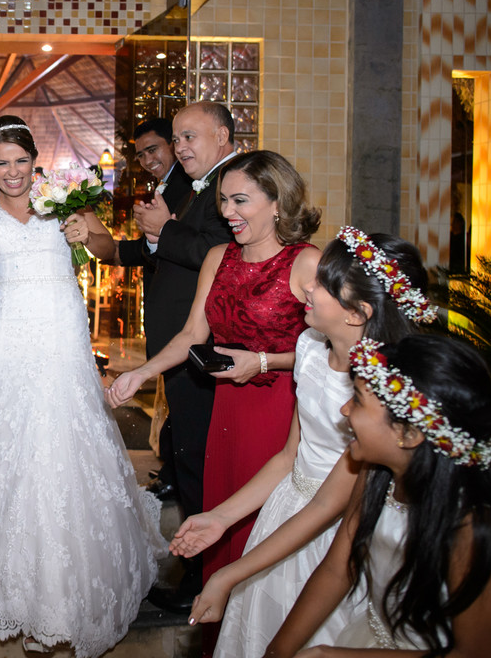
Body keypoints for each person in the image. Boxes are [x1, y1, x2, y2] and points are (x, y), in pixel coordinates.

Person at [0, 117, 165, 657]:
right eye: (1, 163)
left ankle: (67, 590)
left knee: (64, 433)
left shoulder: (62, 197)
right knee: (5, 434)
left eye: (20, 161)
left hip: (61, 328)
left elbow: (106, 248)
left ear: (35, 161)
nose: (12, 172)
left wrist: (88, 234)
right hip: (9, 331)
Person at [179, 228, 433, 657]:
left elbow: (330, 503)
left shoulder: (380, 395)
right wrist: (221, 518)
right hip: (287, 507)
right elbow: (288, 456)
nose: (308, 287)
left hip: (336, 529)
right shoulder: (311, 346)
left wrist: (231, 573)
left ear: (357, 313)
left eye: (323, 284)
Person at [265, 335, 491, 657]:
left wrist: (333, 655)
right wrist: (279, 649)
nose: (344, 409)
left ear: (409, 433)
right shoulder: (375, 474)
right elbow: (338, 568)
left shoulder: (471, 530)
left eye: (359, 400)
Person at [109, 150, 321, 589]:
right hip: (226, 409)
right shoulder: (219, 257)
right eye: (223, 200)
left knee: (267, 526)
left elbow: (334, 353)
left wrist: (263, 362)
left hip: (284, 411)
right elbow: (192, 334)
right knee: (222, 512)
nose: (227, 212)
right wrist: (142, 373)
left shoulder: (307, 263)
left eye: (240, 201)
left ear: (277, 202)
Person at [107, 102, 237, 610]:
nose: (180, 147)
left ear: (221, 135)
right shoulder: (199, 185)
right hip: (184, 347)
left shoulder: (233, 184)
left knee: (202, 462)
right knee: (188, 456)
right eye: (177, 138)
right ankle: (199, 569)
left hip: (205, 347)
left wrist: (165, 228)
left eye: (189, 137)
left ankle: (204, 578)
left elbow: (218, 252)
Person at [108, 116, 197, 501]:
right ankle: (174, 472)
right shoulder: (168, 184)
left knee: (184, 401)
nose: (147, 160)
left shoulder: (187, 184)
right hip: (169, 308)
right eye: (141, 155)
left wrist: (122, 249)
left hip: (185, 311)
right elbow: (154, 244)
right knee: (175, 399)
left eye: (153, 150)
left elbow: (175, 243)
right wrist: (116, 250)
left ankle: (181, 479)